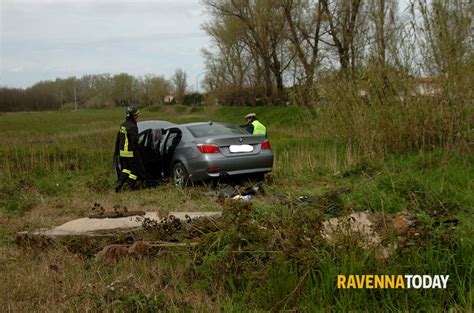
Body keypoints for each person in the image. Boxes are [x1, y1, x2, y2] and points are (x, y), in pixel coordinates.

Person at [114, 105, 141, 192]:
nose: (137, 117)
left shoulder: (123, 125)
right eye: (136, 115)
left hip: (122, 153)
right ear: (132, 116)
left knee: (126, 169)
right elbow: (135, 141)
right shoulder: (133, 127)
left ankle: (120, 182)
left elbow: (118, 139)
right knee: (135, 170)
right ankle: (129, 186)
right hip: (130, 152)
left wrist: (116, 152)